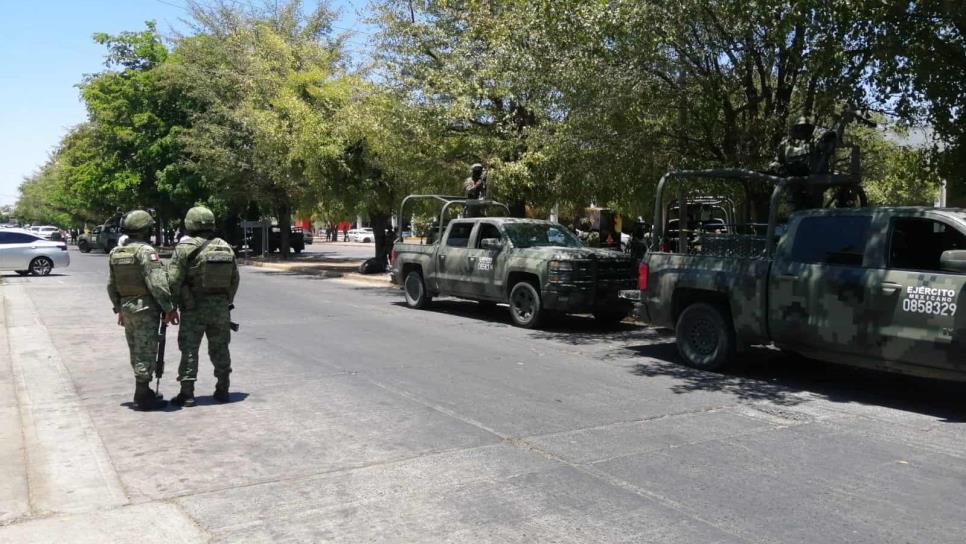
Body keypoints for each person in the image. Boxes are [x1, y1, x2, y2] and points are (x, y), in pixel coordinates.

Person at [107, 210, 179, 411]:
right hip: (145, 308)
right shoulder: (146, 252)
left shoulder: (116, 252)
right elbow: (156, 283)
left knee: (136, 349)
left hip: (127, 308)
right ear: (145, 230)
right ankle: (142, 396)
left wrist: (119, 308)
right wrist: (169, 308)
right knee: (146, 350)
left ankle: (143, 390)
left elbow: (111, 285)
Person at [168, 206, 240, 406]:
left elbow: (173, 281)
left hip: (193, 308)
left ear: (190, 224)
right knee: (220, 348)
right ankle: (223, 389)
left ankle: (187, 393)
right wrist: (226, 301)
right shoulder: (225, 247)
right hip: (220, 309)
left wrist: (171, 307)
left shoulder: (184, 249)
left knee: (189, 349)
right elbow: (234, 279)